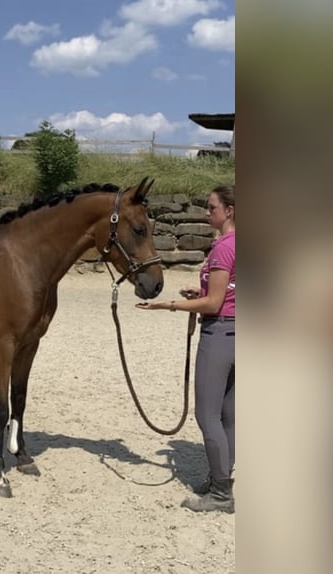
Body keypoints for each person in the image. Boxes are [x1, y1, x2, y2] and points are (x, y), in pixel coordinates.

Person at [136, 184, 235, 514]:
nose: (208, 213)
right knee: (229, 415)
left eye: (212, 208)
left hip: (220, 333)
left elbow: (215, 302)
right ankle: (221, 479)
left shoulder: (223, 248)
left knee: (207, 415)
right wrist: (201, 288)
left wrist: (170, 306)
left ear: (228, 211)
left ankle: (221, 493)